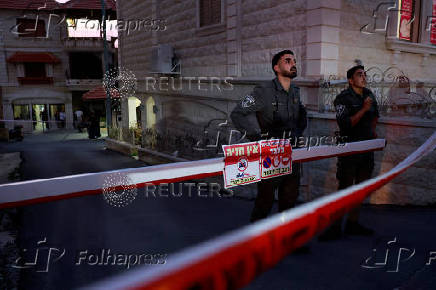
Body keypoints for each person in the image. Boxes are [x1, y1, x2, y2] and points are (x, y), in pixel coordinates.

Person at [231, 50, 307, 222]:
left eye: (294, 61)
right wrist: (256, 138)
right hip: (270, 153)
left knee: (289, 198)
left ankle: (285, 240)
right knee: (265, 199)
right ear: (276, 67)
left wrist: (298, 133)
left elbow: (301, 116)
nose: (293, 64)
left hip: (292, 150)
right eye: (288, 61)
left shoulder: (295, 91)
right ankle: (256, 241)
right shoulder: (263, 91)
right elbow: (237, 113)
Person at [320, 65, 379, 240]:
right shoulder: (342, 98)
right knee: (345, 189)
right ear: (350, 80)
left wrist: (373, 132)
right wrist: (363, 109)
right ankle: (336, 227)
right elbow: (345, 124)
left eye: (364, 74)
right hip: (350, 148)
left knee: (360, 189)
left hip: (366, 148)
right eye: (359, 75)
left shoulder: (369, 94)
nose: (363, 77)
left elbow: (376, 116)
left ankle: (353, 224)